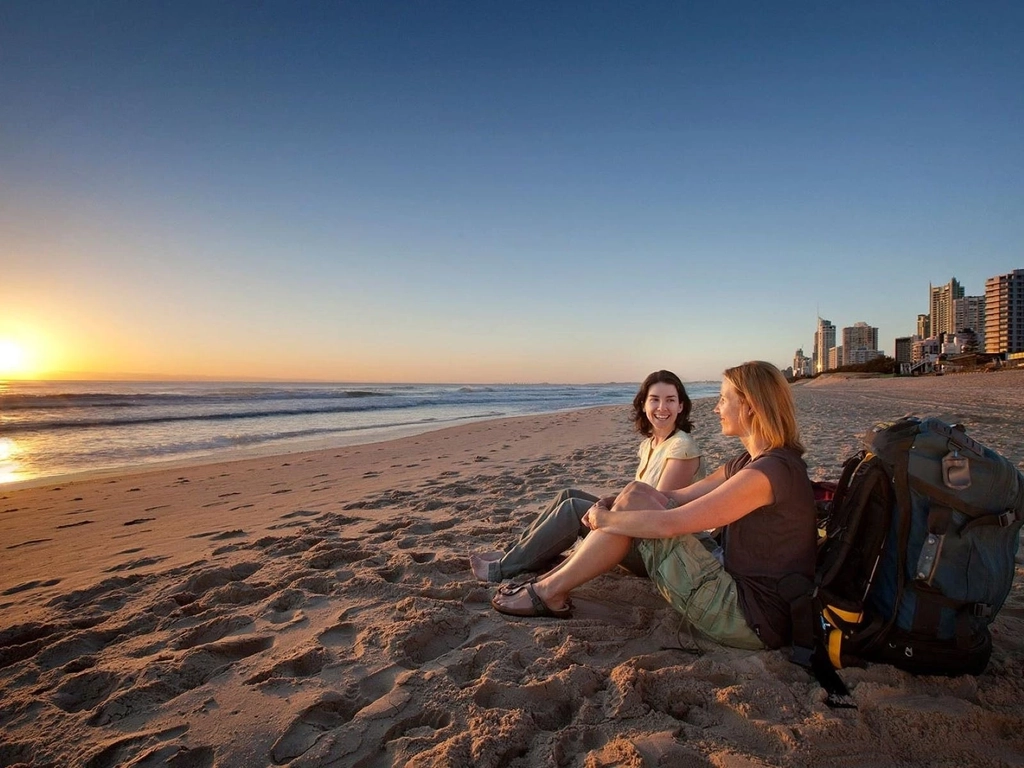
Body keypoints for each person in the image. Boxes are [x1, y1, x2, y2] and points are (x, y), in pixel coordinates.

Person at [490, 361, 816, 651]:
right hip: (735, 580)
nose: (716, 409)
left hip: (749, 617)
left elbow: (669, 524)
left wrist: (605, 519)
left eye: (723, 399)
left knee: (632, 509)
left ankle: (548, 591)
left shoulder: (767, 473)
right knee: (635, 492)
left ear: (749, 406)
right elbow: (675, 497)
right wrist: (616, 504)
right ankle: (548, 586)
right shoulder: (750, 461)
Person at [471, 370, 705, 583]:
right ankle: (517, 552)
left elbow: (658, 513)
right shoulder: (649, 445)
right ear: (644, 404)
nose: (662, 407)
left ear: (681, 407)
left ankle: (500, 570)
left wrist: (607, 512)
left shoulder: (681, 448)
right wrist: (611, 504)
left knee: (574, 509)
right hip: (637, 532)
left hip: (658, 552)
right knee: (568, 494)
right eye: (655, 399)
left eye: (670, 400)